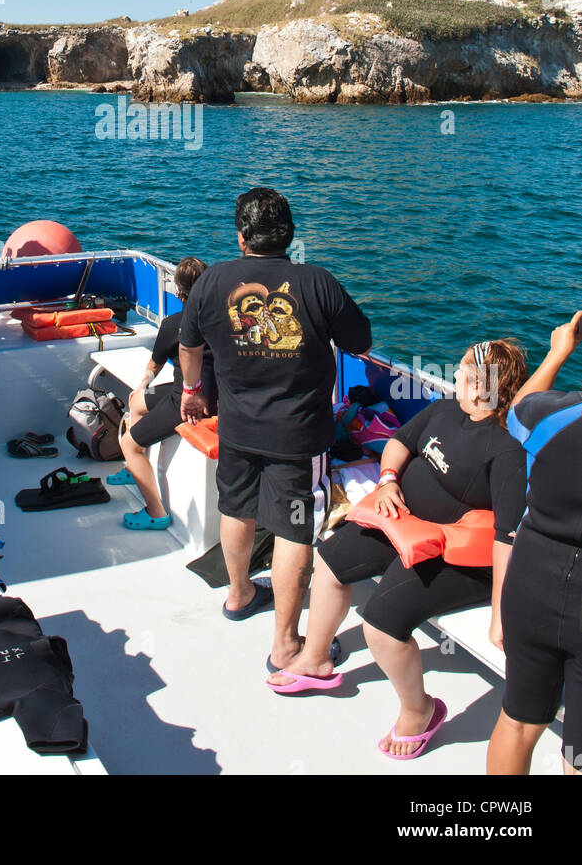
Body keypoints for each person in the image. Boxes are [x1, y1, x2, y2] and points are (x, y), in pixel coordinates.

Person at [276, 338, 528, 761]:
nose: (458, 373)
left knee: (381, 625)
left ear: (491, 384)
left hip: (455, 553)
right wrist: (389, 479)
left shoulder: (505, 449)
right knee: (330, 560)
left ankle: (421, 711)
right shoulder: (446, 410)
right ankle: (316, 660)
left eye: (468, 368)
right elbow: (400, 442)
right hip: (404, 520)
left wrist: (500, 616)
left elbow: (507, 537)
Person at [178, 186, 372, 674]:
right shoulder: (317, 282)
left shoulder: (211, 281)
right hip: (298, 436)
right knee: (293, 529)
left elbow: (188, 343)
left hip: (237, 428)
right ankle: (285, 646)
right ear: (288, 234)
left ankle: (240, 594)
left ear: (242, 237)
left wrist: (191, 389)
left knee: (237, 508)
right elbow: (360, 340)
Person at [487, 311, 582, 776]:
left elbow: (519, 409)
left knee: (520, 721)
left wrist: (559, 351)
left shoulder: (558, 417)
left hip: (533, 578)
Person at [109, 257, 218, 530]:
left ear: (178, 291)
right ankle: (134, 471)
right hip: (219, 398)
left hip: (184, 402)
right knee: (137, 403)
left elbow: (154, 365)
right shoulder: (223, 321)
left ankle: (155, 512)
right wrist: (141, 393)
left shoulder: (174, 325)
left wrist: (142, 383)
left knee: (129, 444)